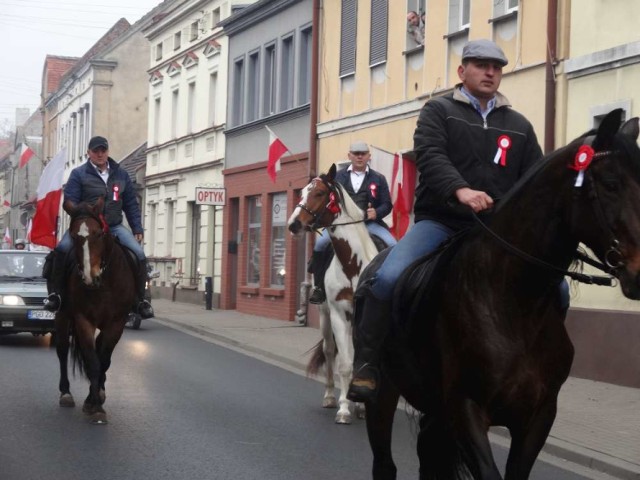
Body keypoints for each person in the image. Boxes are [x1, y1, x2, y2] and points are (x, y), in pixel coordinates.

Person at [347, 39, 556, 402]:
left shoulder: (519, 125)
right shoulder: (438, 111)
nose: (490, 72)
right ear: (462, 71)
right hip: (441, 222)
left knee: (559, 289)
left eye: (496, 66)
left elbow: (533, 179)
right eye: (481, 65)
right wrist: (460, 190)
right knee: (387, 277)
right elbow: (429, 155)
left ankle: (539, 361)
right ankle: (367, 365)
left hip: (496, 232)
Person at [43, 136, 154, 318]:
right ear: (89, 153)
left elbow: (131, 205)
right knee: (62, 250)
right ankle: (56, 295)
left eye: (103, 150)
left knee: (139, 255)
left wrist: (137, 229)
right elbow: (69, 201)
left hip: (114, 226)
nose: (100, 154)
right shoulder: (79, 174)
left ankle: (140, 300)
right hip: (86, 227)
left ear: (107, 152)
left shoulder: (121, 174)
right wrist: (86, 212)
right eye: (96, 151)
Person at [307, 141, 397, 304]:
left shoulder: (379, 178)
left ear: (369, 156)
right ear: (349, 156)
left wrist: (377, 212)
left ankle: (391, 287)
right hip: (341, 225)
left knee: (392, 244)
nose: (359, 157)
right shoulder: (338, 177)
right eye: (356, 153)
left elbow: (387, 204)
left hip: (369, 225)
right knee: (320, 244)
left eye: (363, 153)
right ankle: (319, 288)